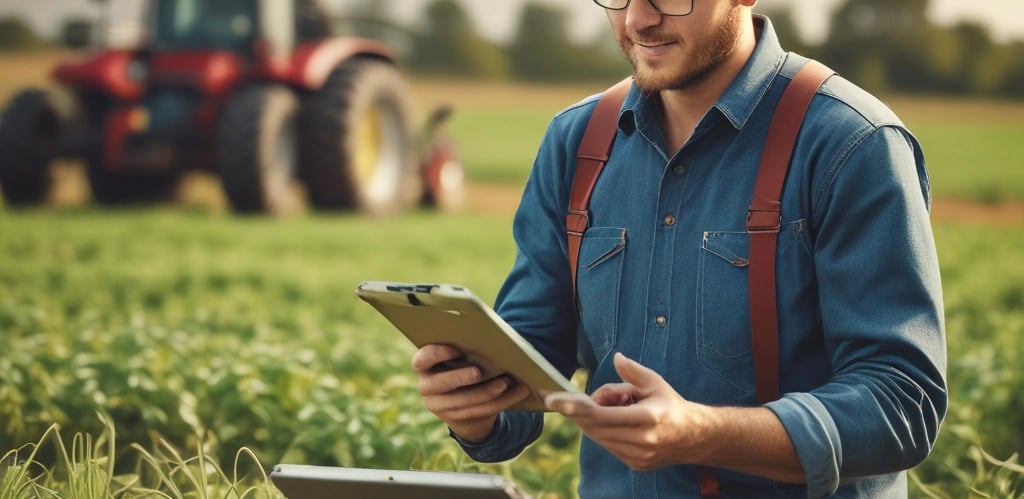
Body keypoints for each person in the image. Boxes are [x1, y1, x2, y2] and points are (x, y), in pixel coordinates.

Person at [411, 0, 947, 497]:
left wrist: (703, 433)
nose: (637, 20)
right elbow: (529, 362)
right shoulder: (575, 142)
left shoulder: (852, 143)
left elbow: (901, 403)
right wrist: (475, 406)